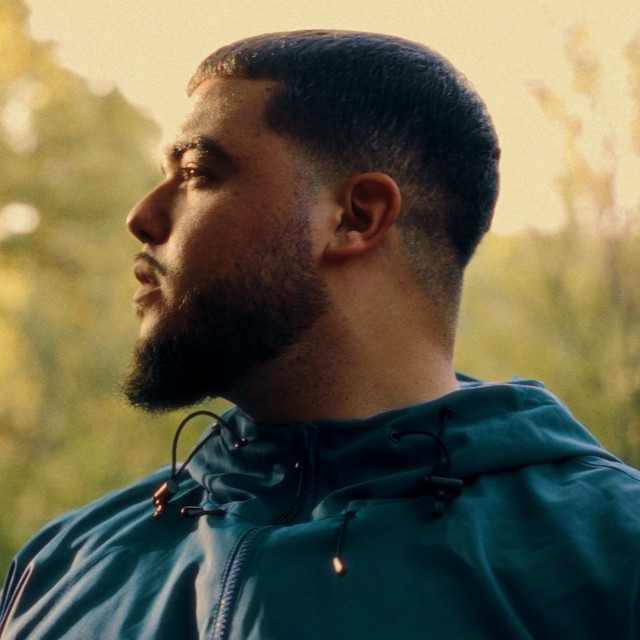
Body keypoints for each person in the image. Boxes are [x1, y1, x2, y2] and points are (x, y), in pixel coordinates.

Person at [1, 29, 639, 640]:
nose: (142, 216)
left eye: (198, 172)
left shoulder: (611, 557)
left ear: (355, 217)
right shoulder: (59, 564)